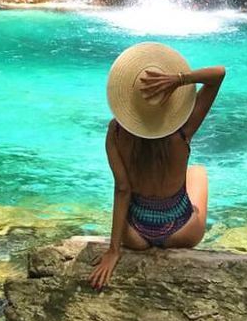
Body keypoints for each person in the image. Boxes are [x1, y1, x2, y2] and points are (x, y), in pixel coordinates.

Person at [89, 41, 225, 290]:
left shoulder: (115, 132)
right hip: (182, 233)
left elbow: (122, 189)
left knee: (129, 189)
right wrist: (180, 79)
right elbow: (219, 74)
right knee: (197, 171)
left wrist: (113, 250)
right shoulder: (183, 130)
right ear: (170, 100)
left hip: (135, 236)